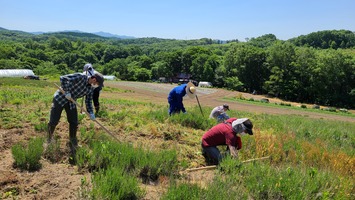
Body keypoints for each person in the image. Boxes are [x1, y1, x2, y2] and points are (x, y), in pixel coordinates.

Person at [47, 71, 104, 163]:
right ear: (94, 79)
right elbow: (63, 78)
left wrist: (91, 113)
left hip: (71, 102)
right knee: (54, 121)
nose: (97, 85)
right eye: (97, 83)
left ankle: (72, 140)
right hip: (60, 99)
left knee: (74, 122)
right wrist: (67, 92)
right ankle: (49, 139)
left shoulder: (90, 89)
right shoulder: (81, 77)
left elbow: (88, 101)